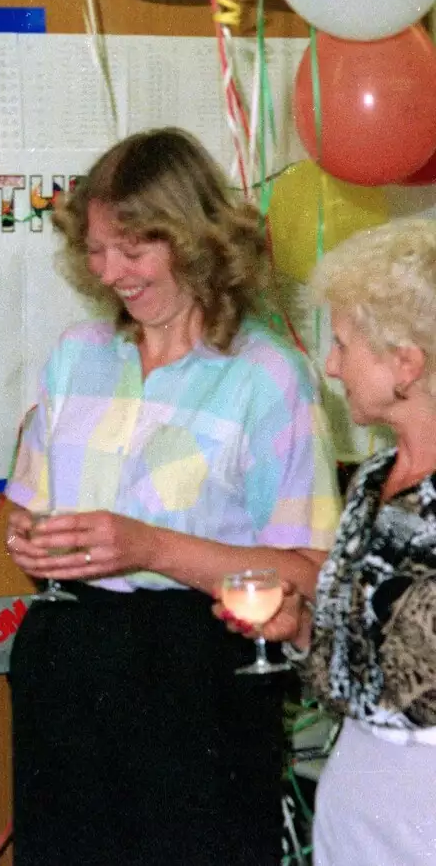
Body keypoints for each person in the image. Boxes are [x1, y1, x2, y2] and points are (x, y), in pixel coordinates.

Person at [2, 128, 341, 866]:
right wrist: (28, 533)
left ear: (193, 240)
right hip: (67, 658)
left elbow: (310, 569)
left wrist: (151, 548)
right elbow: (28, 502)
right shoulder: (78, 354)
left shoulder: (267, 376)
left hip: (198, 672)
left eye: (133, 248)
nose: (110, 271)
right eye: (95, 249)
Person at [215, 217, 436, 865]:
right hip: (360, 793)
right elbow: (367, 659)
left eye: (342, 343)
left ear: (405, 363)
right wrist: (300, 629)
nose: (330, 364)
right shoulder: (372, 478)